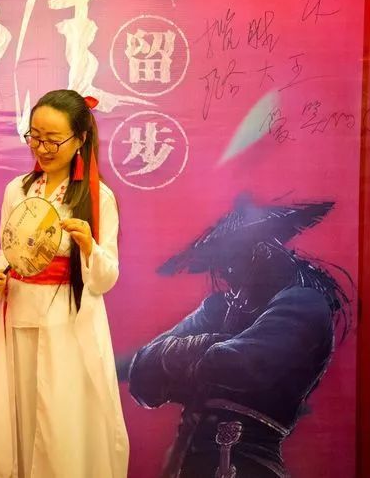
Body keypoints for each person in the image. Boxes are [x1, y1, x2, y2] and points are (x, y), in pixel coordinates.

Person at [127, 195, 352, 478]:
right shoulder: (218, 308)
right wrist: (200, 349)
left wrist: (186, 357)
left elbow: (236, 365)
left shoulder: (304, 304)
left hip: (247, 466)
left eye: (231, 263)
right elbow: (142, 374)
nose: (227, 277)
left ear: (262, 252)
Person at [0, 89, 128, 478]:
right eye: (35, 137)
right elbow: (8, 253)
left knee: (62, 423)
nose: (42, 148)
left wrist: (89, 246)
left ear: (80, 139)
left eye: (53, 140)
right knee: (19, 416)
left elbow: (106, 277)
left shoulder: (98, 197)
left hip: (68, 324)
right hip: (19, 318)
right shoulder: (17, 190)